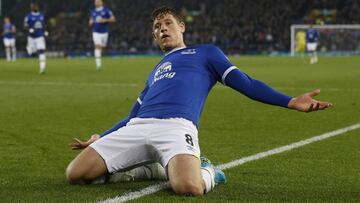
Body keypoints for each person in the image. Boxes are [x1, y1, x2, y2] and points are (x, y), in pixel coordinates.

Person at [66, 6, 332, 196]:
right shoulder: (156, 70)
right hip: (138, 127)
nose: (162, 29)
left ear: (181, 26)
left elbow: (245, 83)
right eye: (157, 28)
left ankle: (209, 172)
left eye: (168, 23)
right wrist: (102, 137)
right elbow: (132, 116)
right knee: (75, 174)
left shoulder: (206, 53)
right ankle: (154, 169)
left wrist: (289, 101)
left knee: (189, 188)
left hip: (176, 127)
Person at [89, 0, 116, 71]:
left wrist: (104, 20)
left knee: (102, 47)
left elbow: (113, 19)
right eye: (95, 1)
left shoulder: (106, 10)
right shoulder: (93, 11)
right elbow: (91, 20)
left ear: (101, 2)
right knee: (97, 46)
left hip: (104, 32)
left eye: (98, 1)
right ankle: (98, 65)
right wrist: (91, 22)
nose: (96, 2)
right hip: (95, 32)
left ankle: (99, 57)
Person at [24, 2, 47, 74]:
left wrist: (45, 30)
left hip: (40, 36)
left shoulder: (41, 15)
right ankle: (29, 49)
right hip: (31, 38)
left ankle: (42, 69)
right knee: (32, 54)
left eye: (36, 6)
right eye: (34, 6)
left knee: (41, 51)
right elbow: (24, 26)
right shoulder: (28, 16)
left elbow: (44, 24)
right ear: (32, 7)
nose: (35, 7)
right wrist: (29, 29)